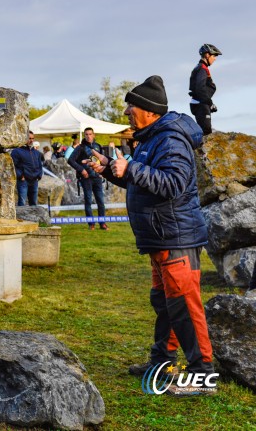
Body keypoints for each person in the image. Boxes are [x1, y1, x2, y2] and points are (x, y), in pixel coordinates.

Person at [86, 75, 214, 395]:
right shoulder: (150, 138)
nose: (127, 110)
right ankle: (162, 362)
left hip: (176, 239)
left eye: (132, 105)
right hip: (162, 240)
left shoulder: (170, 139)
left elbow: (172, 183)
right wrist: (109, 169)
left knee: (184, 306)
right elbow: (142, 183)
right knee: (166, 304)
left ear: (149, 111)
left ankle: (202, 376)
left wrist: (130, 169)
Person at [68, 127, 107, 230]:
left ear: (93, 135)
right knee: (88, 201)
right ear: (84, 135)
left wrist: (103, 172)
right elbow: (71, 160)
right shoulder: (80, 147)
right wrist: (81, 170)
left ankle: (102, 223)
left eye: (90, 134)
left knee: (101, 201)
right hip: (86, 178)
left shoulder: (98, 146)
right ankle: (91, 224)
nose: (88, 136)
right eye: (86, 134)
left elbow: (103, 160)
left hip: (97, 177)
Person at [189, 43, 222, 135]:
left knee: (204, 131)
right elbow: (200, 88)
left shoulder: (201, 67)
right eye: (214, 55)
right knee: (206, 132)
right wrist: (210, 103)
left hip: (201, 104)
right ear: (207, 55)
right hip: (201, 105)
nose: (215, 58)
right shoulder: (202, 69)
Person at [11, 131, 44, 206]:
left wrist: (39, 176)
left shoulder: (37, 152)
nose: (31, 140)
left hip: (34, 180)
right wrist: (20, 176)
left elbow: (40, 165)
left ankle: (35, 217)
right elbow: (13, 166)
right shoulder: (16, 151)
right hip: (23, 181)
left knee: (34, 204)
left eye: (33, 138)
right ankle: (21, 218)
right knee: (22, 203)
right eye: (29, 138)